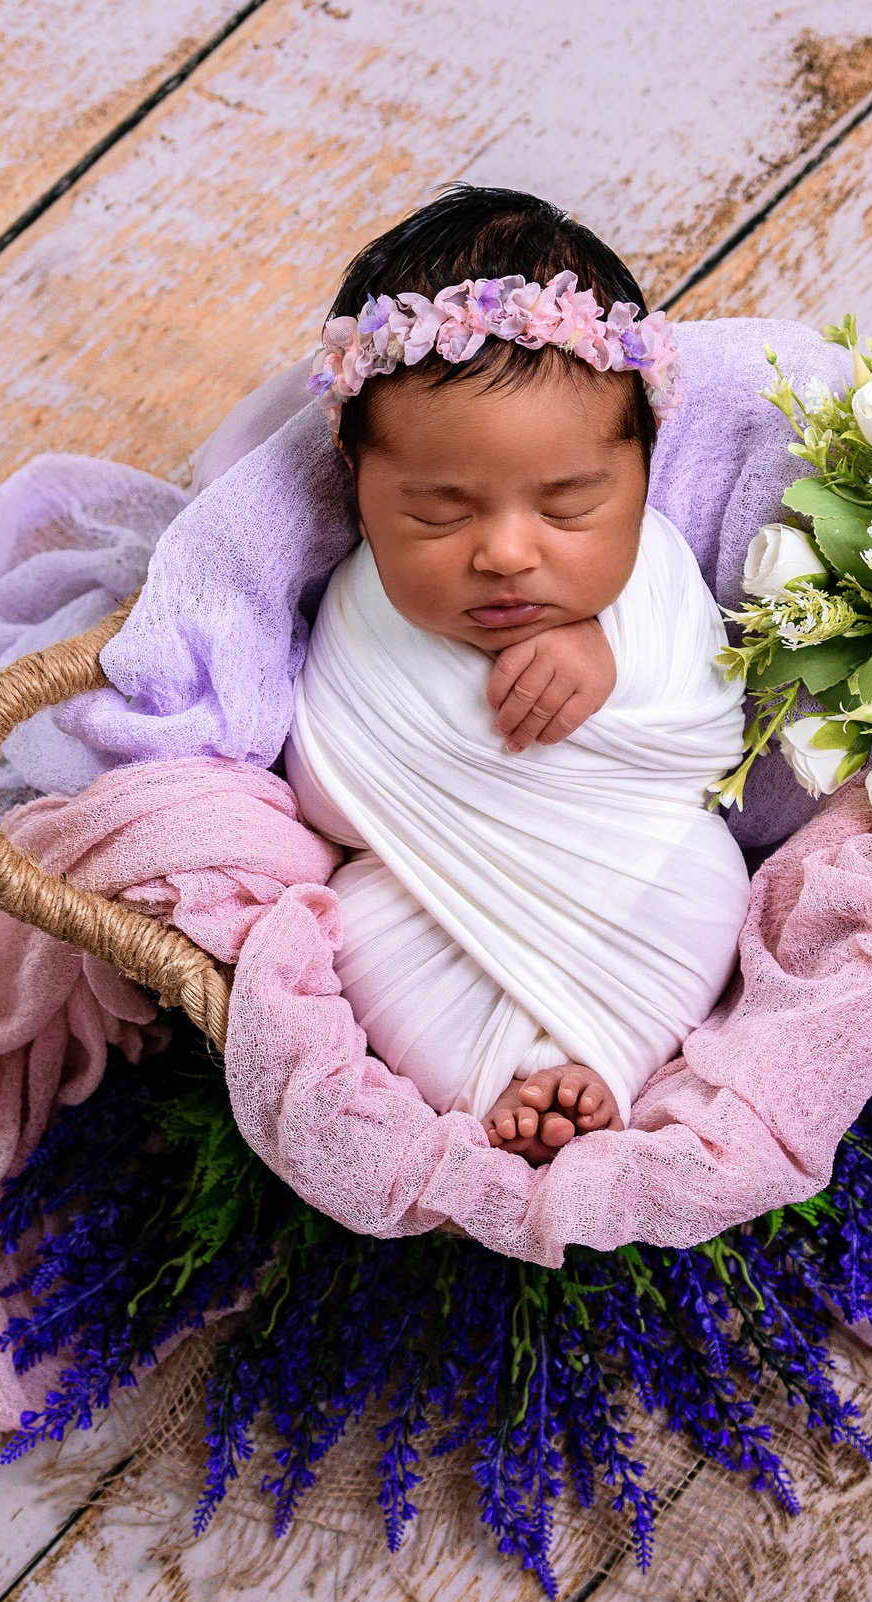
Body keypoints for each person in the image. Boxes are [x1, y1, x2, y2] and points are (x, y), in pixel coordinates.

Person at [282, 187, 749, 1165]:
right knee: (358, 923)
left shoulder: (656, 572)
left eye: (570, 507)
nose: (503, 553)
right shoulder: (360, 607)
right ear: (356, 478)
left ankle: (605, 1064)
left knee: (710, 876)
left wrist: (610, 666)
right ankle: (492, 1088)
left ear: (643, 471)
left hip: (636, 877)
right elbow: (329, 796)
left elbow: (713, 738)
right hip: (429, 902)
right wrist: (441, 777)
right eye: (439, 515)